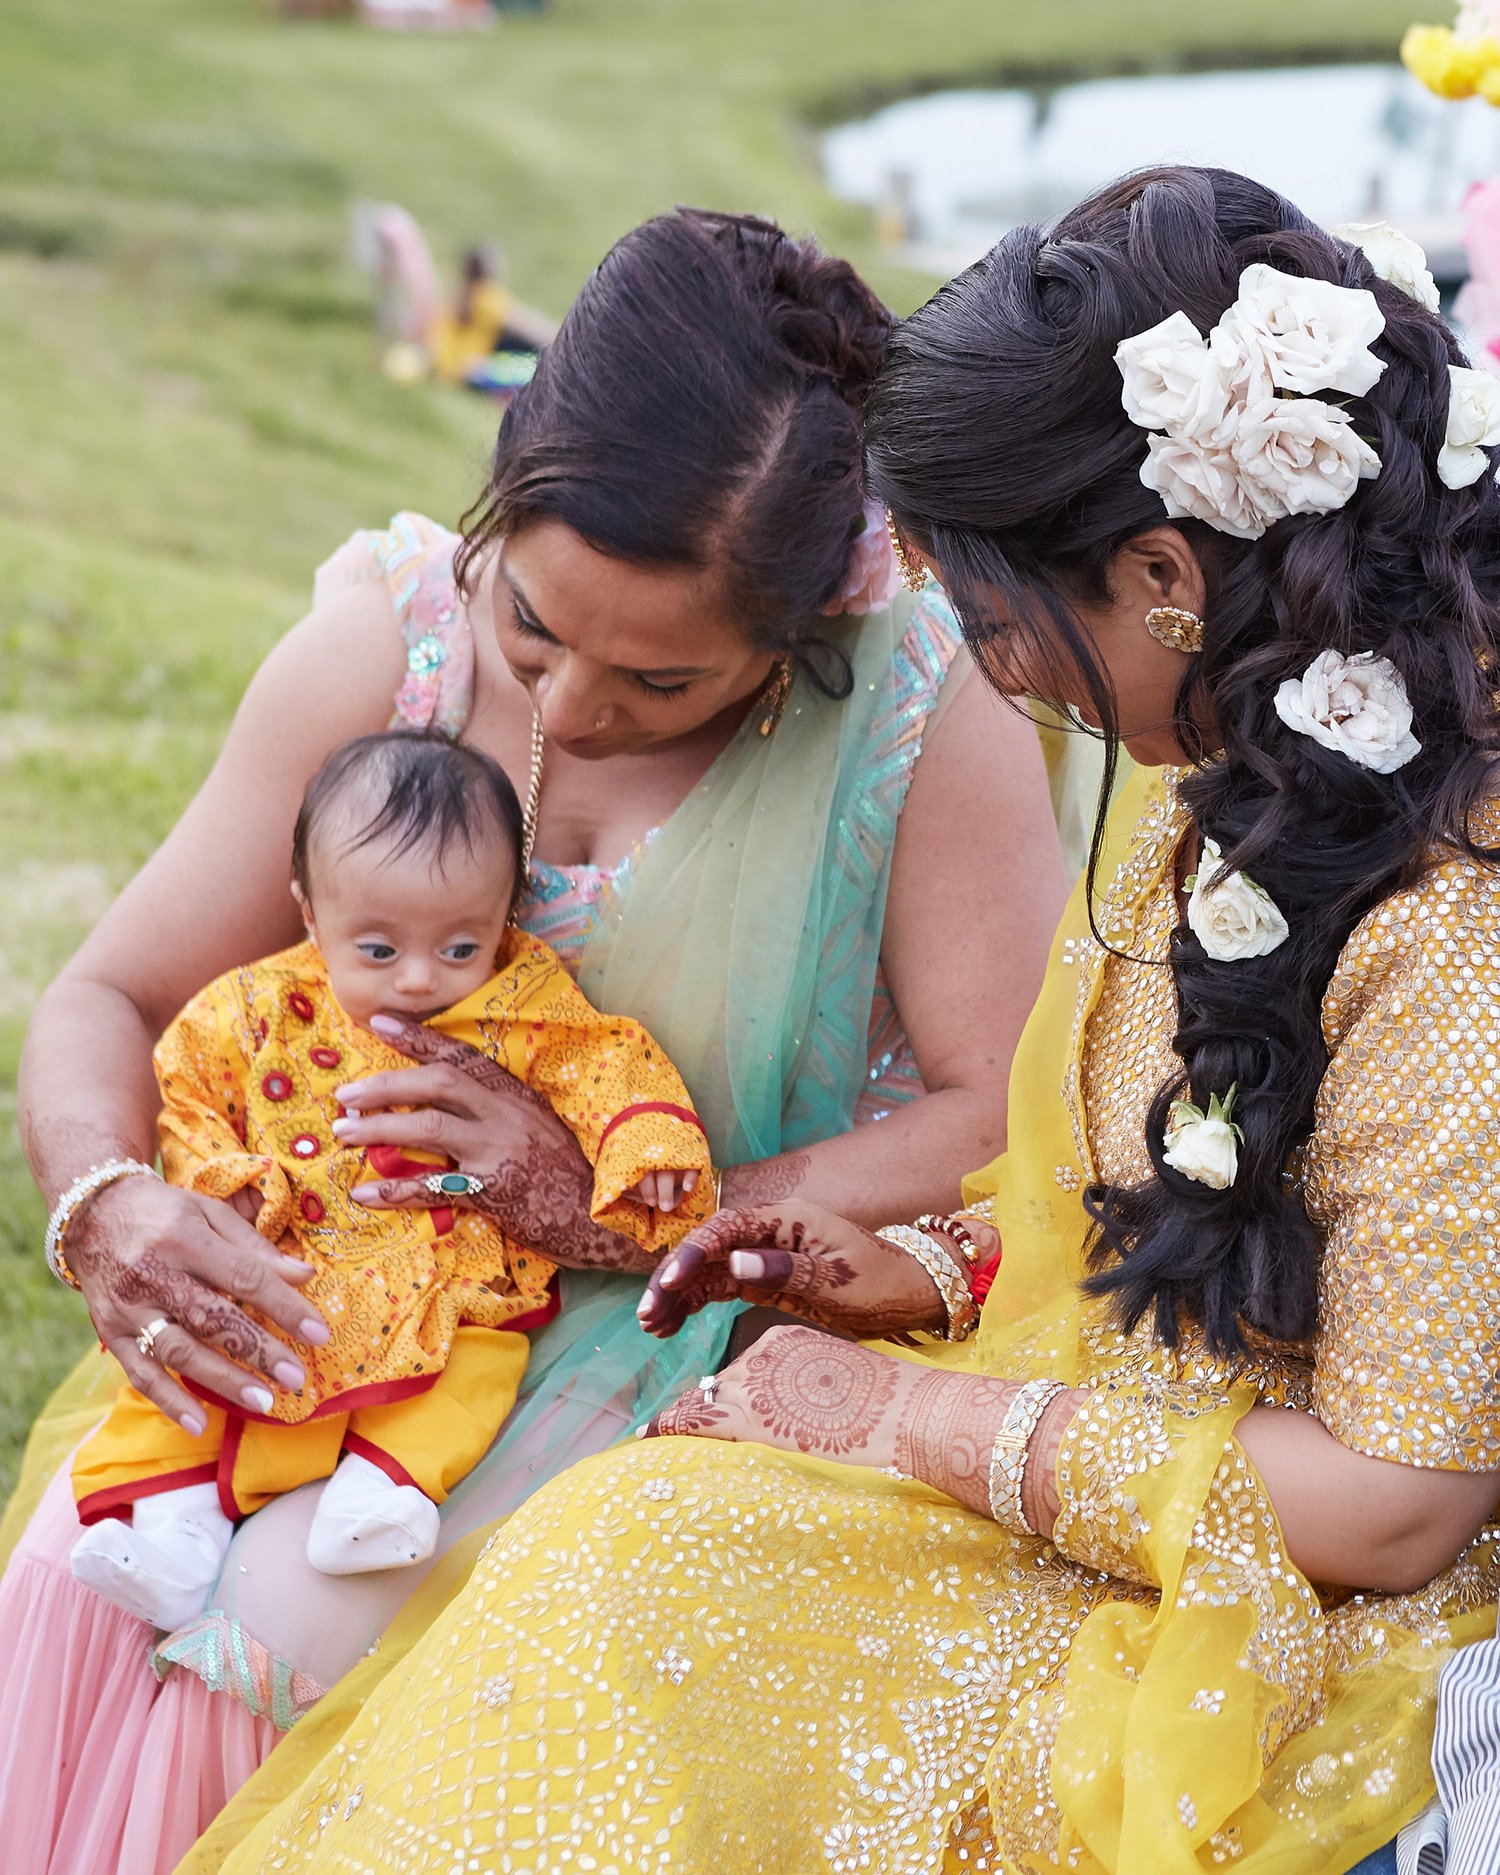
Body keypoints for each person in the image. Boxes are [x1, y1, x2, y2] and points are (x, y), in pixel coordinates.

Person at [191, 167, 1500, 1875]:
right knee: (613, 1564)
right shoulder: (1260, 754)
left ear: (1166, 572)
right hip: (1124, 1487)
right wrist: (926, 1275)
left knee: (622, 1625)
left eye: (991, 612)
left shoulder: (1454, 914)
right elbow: (1197, 1207)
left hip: (1276, 1620)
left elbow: (1399, 1501)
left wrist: (898, 1417)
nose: (979, 659)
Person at [0, 207, 1067, 1874]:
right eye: (535, 633)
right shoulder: (390, 641)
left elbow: (1003, 1111)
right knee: (79, 1563)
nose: (568, 711)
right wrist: (108, 1206)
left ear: (798, 635)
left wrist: (623, 1205)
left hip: (699, 1334)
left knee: (290, 1619)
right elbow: (104, 1000)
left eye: (661, 683)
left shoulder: (924, 716)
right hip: (349, 1306)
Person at [68, 729, 712, 1629]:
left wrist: (644, 1146)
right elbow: (188, 1084)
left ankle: (389, 1488)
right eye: (378, 950)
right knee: (204, 1364)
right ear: (310, 911)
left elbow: (602, 1059)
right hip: (288, 1255)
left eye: (460, 946)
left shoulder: (521, 998)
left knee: (472, 1364)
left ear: (506, 917)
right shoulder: (252, 1006)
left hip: (447, 1257)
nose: (419, 980)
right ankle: (171, 1526)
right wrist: (226, 1178)